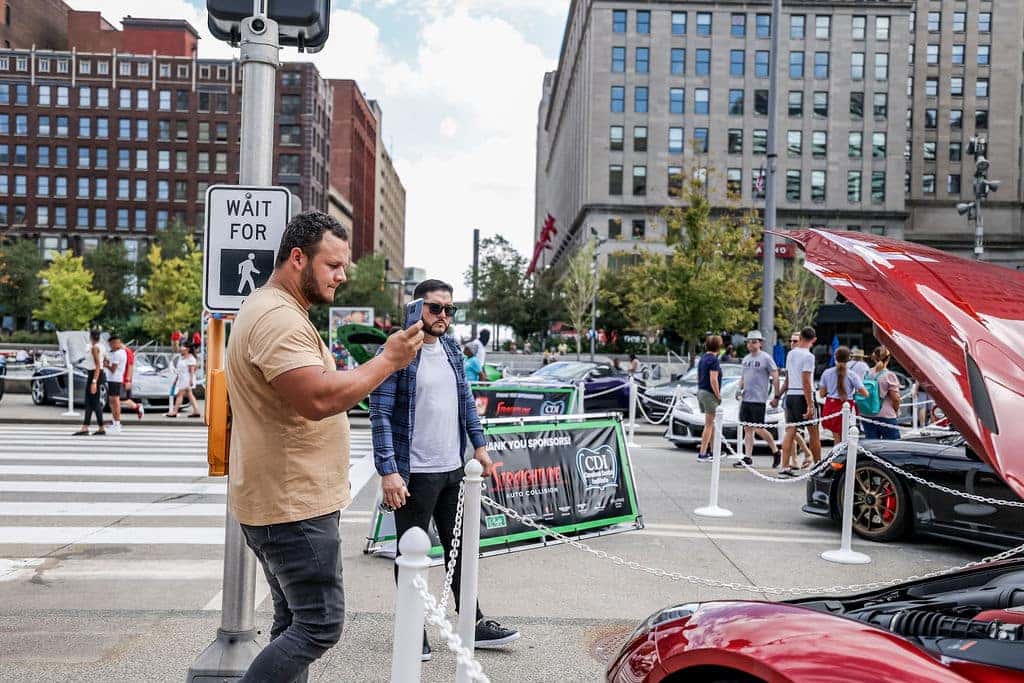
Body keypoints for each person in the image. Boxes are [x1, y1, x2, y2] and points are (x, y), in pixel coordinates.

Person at [226, 211, 422, 681]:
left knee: (293, 621)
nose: (343, 275)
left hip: (282, 500)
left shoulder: (274, 309)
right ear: (298, 258)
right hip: (293, 505)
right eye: (333, 265)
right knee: (320, 624)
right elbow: (317, 398)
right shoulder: (278, 318)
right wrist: (388, 360)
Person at [371, 279, 520, 663]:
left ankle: (472, 620)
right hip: (413, 474)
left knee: (461, 551)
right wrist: (389, 472)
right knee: (412, 552)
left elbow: (466, 403)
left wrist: (482, 448)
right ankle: (411, 628)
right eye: (435, 308)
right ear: (416, 308)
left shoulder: (453, 349)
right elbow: (381, 414)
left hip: (453, 470)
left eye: (449, 310)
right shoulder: (398, 350)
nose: (443, 316)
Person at [774, 326, 821, 476]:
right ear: (814, 340)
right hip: (803, 395)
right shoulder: (808, 356)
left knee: (791, 431)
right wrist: (810, 404)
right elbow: (806, 381)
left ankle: (785, 465)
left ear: (800, 337)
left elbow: (788, 378)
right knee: (813, 432)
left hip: (791, 395)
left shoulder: (791, 354)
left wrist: (778, 396)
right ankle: (818, 463)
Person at [734, 331, 782, 468]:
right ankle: (748, 457)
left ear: (760, 343)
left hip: (759, 399)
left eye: (754, 341)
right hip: (746, 398)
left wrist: (776, 395)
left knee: (759, 428)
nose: (751, 344)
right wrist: (739, 389)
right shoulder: (746, 359)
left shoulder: (766, 358)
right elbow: (743, 377)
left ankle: (775, 450)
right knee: (747, 428)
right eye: (749, 341)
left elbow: (775, 375)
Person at [817, 346, 869, 439]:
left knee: (836, 436)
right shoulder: (852, 374)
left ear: (835, 357)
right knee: (844, 435)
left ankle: (838, 452)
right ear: (849, 358)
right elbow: (865, 393)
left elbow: (821, 394)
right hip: (846, 404)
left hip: (831, 405)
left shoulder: (827, 372)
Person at [73, 330, 107, 436]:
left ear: (91, 337)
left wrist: (94, 381)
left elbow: (97, 365)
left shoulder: (94, 348)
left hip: (94, 374)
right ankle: (86, 427)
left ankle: (100, 427)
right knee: (90, 401)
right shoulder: (101, 347)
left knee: (94, 402)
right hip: (97, 373)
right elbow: (105, 361)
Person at [864, 346, 901, 440]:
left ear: (873, 358)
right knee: (893, 447)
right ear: (888, 358)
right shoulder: (889, 375)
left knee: (872, 448)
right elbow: (895, 398)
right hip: (886, 415)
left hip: (867, 414)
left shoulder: (867, 373)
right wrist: (896, 411)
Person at [696, 335, 723, 463]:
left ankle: (713, 451)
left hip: (701, 391)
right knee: (708, 424)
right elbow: (714, 379)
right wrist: (718, 394)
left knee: (711, 424)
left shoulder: (703, 359)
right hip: (709, 393)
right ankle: (702, 453)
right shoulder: (714, 360)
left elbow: (699, 376)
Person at [166, 343, 201, 418]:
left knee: (180, 394)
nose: (181, 348)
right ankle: (196, 411)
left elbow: (192, 370)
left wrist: (191, 380)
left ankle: (175, 411)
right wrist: (176, 379)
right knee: (190, 395)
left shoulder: (191, 358)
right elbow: (180, 370)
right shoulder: (182, 358)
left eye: (183, 347)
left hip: (187, 379)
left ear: (187, 349)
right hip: (182, 379)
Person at [104, 334, 128, 433]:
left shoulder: (118, 353)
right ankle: (115, 422)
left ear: (115, 343)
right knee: (112, 401)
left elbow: (113, 369)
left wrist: (106, 365)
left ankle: (117, 423)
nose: (110, 346)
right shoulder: (121, 352)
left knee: (115, 401)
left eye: (111, 344)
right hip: (115, 379)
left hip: (115, 379)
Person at [118, 340, 145, 420]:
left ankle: (137, 407)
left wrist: (128, 380)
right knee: (118, 401)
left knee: (118, 401)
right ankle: (116, 419)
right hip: (120, 379)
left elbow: (130, 366)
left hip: (124, 380)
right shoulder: (121, 351)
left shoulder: (127, 352)